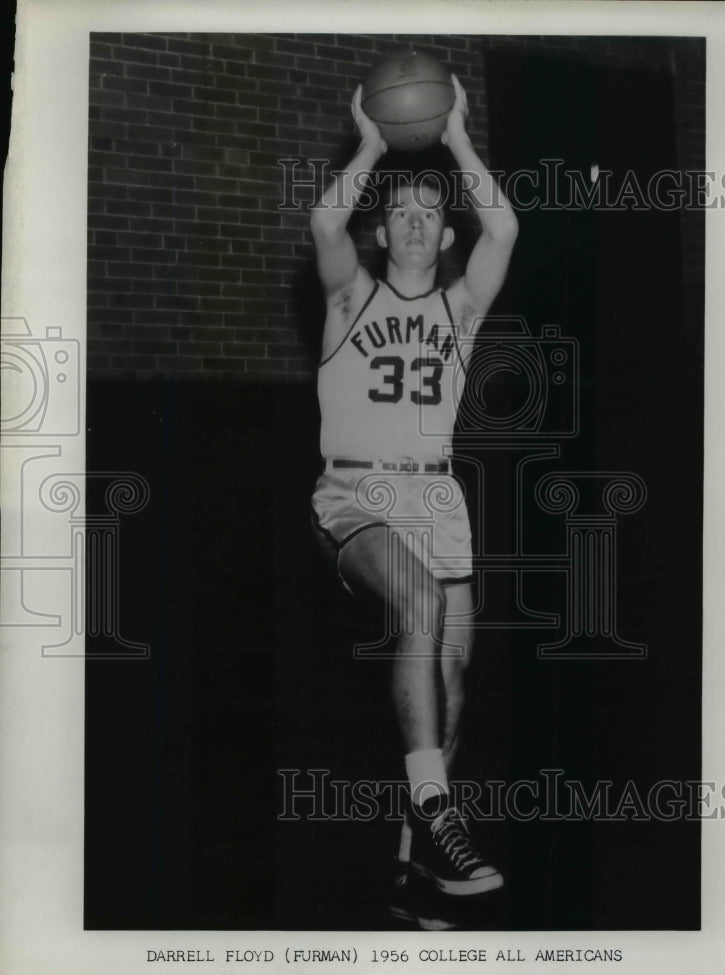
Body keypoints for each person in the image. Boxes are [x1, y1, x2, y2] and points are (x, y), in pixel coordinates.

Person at [309, 75, 518, 923]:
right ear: (383, 227)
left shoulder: (460, 307)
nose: (415, 220)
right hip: (356, 493)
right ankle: (438, 814)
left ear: (444, 232)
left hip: (439, 503)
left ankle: (413, 859)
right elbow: (324, 222)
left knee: (453, 678)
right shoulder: (348, 297)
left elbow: (503, 224)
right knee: (418, 610)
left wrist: (457, 139)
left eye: (431, 211)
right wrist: (370, 145)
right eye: (401, 211)